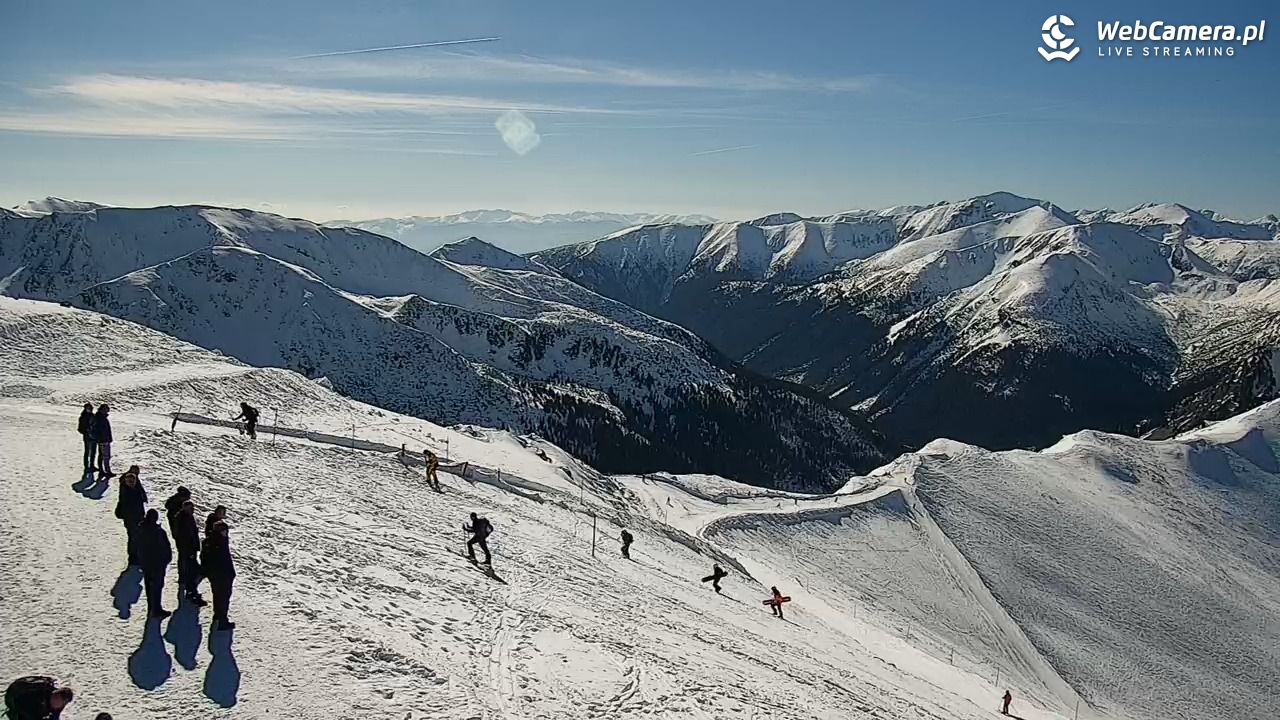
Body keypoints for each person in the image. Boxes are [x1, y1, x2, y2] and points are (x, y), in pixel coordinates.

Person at [136, 508, 173, 619]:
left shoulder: (141, 530)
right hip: (157, 564)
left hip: (147, 564)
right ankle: (156, 609)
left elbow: (138, 548)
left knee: (149, 586)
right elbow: (165, 547)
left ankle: (151, 608)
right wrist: (166, 559)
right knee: (157, 587)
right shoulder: (158, 532)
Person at [202, 520, 237, 631]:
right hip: (223, 575)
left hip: (215, 575)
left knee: (217, 596)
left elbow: (204, 558)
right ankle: (222, 620)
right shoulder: (220, 543)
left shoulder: (209, 541)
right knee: (224, 597)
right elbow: (223, 560)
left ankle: (217, 615)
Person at [172, 500, 206, 606]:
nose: (192, 510)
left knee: (191, 569)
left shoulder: (187, 517)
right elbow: (183, 536)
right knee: (192, 570)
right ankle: (191, 591)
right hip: (187, 549)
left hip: (190, 549)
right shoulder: (182, 519)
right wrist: (189, 549)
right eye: (190, 508)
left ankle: (187, 584)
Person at [114, 467, 147, 566]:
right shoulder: (126, 492)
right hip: (131, 519)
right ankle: (133, 557)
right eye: (130, 482)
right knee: (133, 537)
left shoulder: (135, 489)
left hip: (138, 517)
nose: (132, 483)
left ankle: (136, 555)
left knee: (136, 537)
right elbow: (128, 507)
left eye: (133, 481)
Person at [4, 676, 73, 720]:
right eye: (56, 698)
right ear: (54, 694)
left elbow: (55, 715)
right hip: (15, 699)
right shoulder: (37, 701)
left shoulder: (59, 704)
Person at [93, 404, 114, 478]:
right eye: (106, 409)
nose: (107, 410)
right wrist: (104, 439)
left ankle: (102, 470)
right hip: (103, 440)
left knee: (102, 455)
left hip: (103, 439)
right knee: (106, 456)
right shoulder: (100, 418)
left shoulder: (100, 417)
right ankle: (107, 471)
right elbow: (101, 430)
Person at [77, 403, 97, 475]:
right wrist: (86, 432)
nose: (90, 409)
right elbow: (80, 429)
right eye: (89, 408)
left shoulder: (93, 416)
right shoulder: (83, 417)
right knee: (87, 452)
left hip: (94, 437)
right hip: (87, 437)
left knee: (93, 452)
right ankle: (86, 467)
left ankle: (92, 465)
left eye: (91, 408)